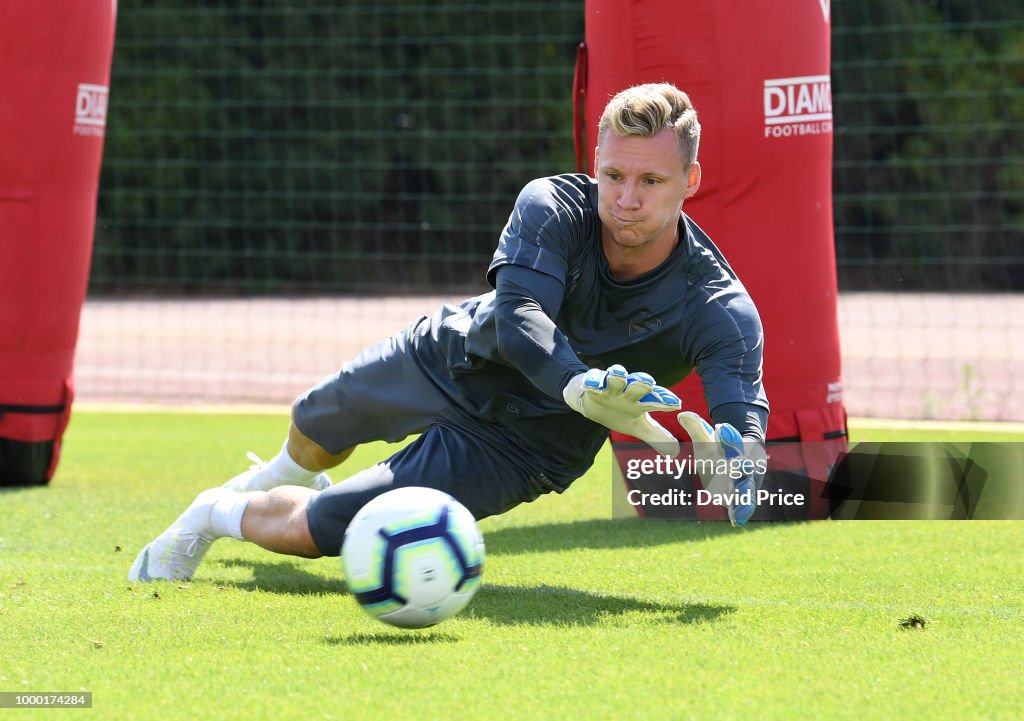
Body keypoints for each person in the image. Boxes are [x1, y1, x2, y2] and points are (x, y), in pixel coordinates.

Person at [129, 83, 769, 583]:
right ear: (595, 164)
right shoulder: (551, 205)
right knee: (318, 422)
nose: (626, 198)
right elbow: (521, 322)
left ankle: (210, 514)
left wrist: (739, 463)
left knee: (323, 530)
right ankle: (269, 477)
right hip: (458, 354)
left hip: (526, 446)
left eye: (651, 181)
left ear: (690, 181)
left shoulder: (719, 306)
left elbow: (742, 409)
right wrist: (578, 384)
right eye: (614, 176)